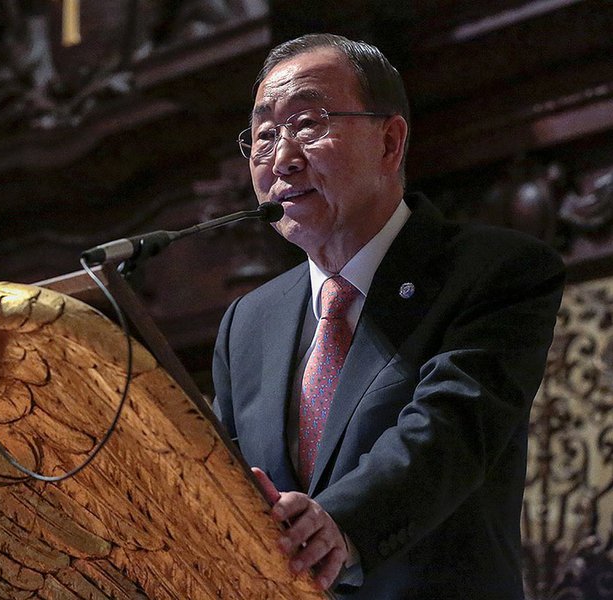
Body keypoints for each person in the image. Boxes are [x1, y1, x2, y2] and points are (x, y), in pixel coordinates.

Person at [211, 33, 564, 599]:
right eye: (264, 134)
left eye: (306, 124)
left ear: (390, 140)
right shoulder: (247, 322)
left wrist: (339, 523)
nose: (281, 157)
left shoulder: (496, 271)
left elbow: (447, 431)